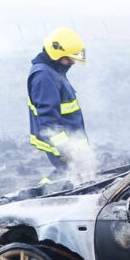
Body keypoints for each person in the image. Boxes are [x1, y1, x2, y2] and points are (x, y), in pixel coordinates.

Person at [27, 27, 89, 184]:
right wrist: (65, 149)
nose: (72, 62)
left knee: (71, 175)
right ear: (56, 53)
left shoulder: (54, 71)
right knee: (65, 175)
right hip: (61, 142)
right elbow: (49, 120)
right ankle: (37, 197)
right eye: (69, 58)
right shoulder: (44, 77)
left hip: (69, 139)